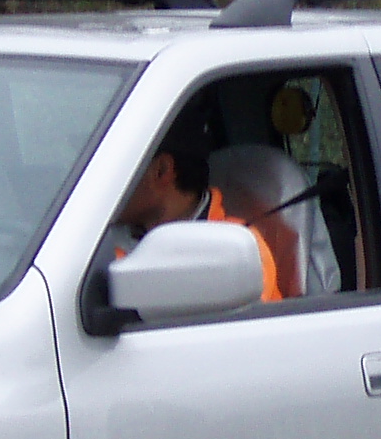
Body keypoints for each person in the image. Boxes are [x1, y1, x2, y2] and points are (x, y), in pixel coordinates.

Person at [112, 116, 289, 302]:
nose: (104, 183)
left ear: (162, 170)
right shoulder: (97, 240)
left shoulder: (236, 252)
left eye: (119, 166)